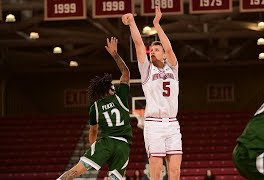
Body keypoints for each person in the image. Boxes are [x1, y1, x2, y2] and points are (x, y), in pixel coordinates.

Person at [57, 37, 132, 180]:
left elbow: (93, 131)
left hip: (106, 142)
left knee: (76, 171)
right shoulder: (120, 97)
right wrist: (115, 55)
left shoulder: (95, 107)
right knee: (115, 178)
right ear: (108, 89)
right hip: (123, 146)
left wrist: (94, 148)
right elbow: (126, 73)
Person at [122, 6, 182, 180]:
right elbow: (139, 45)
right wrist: (132, 22)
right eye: (152, 51)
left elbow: (169, 49)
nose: (152, 52)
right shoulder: (147, 70)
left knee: (175, 171)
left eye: (156, 49)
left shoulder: (173, 69)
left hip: (172, 123)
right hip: (153, 124)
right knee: (155, 171)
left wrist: (157, 23)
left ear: (164, 55)